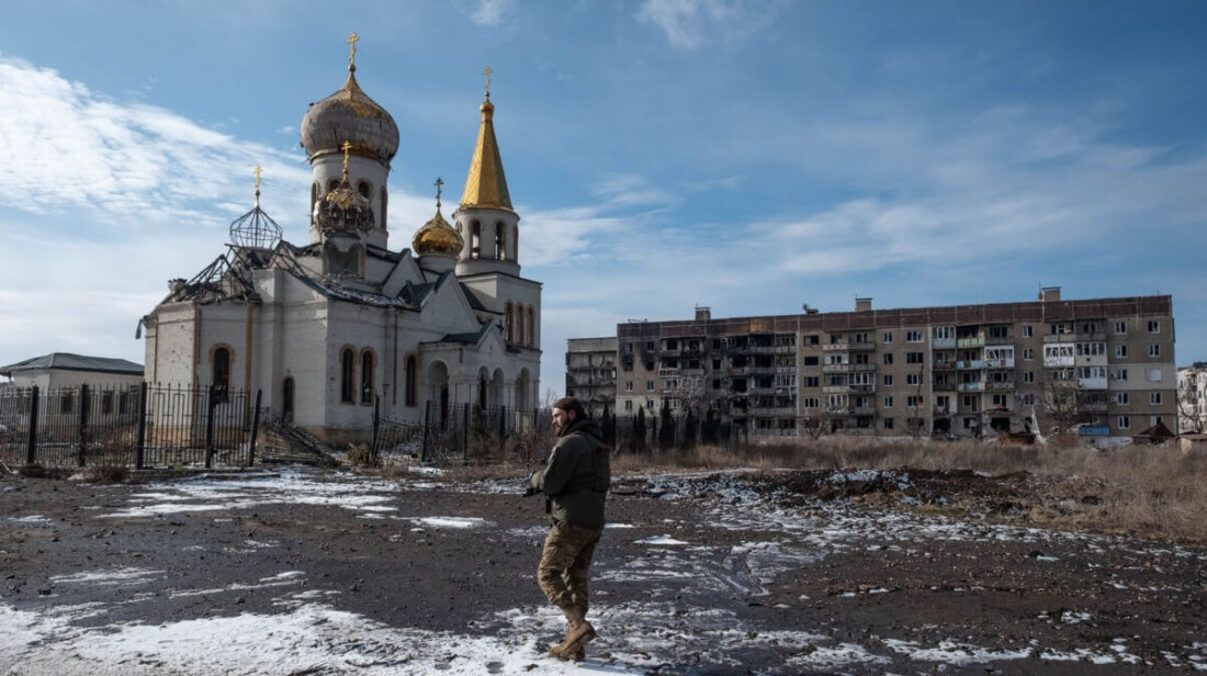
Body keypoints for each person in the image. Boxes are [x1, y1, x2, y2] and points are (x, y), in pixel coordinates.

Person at [528, 396, 610, 661]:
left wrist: (535, 479)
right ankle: (576, 647)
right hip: (593, 522)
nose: (553, 420)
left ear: (572, 415)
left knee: (547, 573)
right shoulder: (596, 443)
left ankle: (577, 625)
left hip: (571, 521)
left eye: (557, 415)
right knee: (576, 579)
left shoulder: (570, 443)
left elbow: (551, 483)